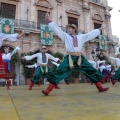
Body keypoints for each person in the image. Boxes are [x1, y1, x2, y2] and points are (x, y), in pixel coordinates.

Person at [42, 13, 109, 96]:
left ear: (74, 29)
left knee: (90, 70)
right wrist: (50, 20)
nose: (68, 30)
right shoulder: (65, 36)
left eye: (70, 28)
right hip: (69, 58)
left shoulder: (81, 36)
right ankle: (48, 90)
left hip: (79, 58)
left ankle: (100, 88)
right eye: (68, 28)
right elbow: (57, 30)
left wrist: (100, 29)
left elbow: (90, 35)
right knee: (59, 71)